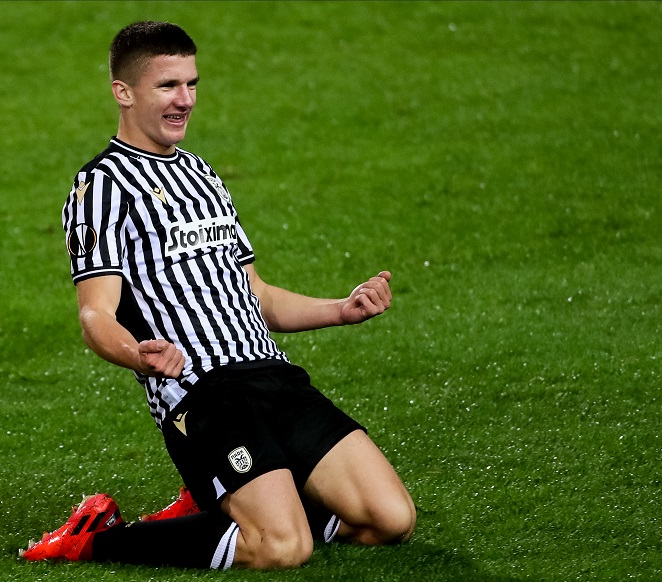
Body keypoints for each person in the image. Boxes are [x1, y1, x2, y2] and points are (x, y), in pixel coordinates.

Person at [21, 20, 416, 570]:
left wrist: (340, 310)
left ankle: (224, 503)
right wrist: (139, 355)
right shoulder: (102, 189)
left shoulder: (202, 174)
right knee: (283, 548)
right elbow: (95, 315)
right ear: (123, 92)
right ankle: (92, 539)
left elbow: (255, 294)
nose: (185, 100)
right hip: (204, 395)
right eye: (167, 86)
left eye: (191, 84)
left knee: (392, 520)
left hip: (274, 377)